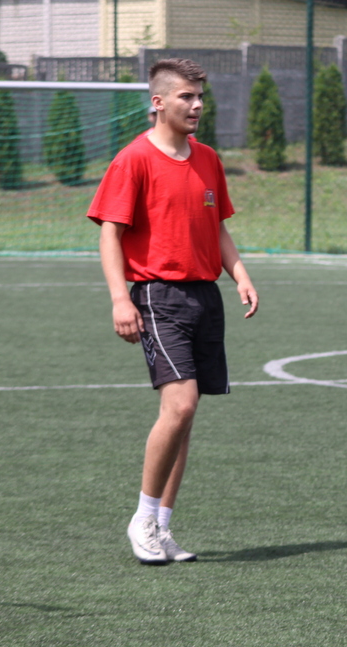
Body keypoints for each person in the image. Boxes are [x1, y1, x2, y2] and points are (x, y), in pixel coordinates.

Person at [88, 58, 258, 565]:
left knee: (185, 417)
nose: (198, 105)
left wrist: (240, 273)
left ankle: (161, 527)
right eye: (187, 96)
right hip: (158, 297)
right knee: (179, 406)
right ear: (158, 102)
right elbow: (110, 234)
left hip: (206, 296)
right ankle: (142, 518)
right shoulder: (133, 160)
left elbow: (218, 226)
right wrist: (120, 298)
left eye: (201, 96)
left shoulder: (208, 159)